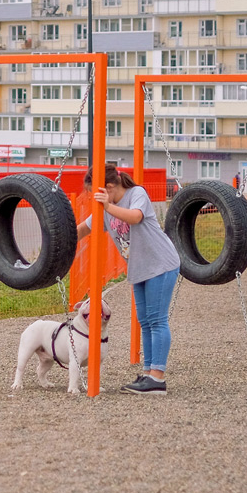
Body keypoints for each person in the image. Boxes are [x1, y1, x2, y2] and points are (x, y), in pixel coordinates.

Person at [77, 166, 181, 396]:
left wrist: (107, 206)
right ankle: (148, 374)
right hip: (140, 268)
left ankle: (158, 378)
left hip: (160, 263)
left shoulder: (137, 194)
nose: (96, 198)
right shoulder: (106, 208)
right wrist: (59, 241)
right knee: (145, 321)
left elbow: (135, 217)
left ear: (110, 187)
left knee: (157, 320)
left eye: (98, 193)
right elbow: (85, 228)